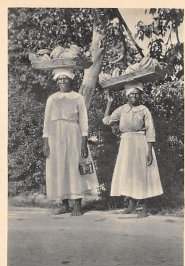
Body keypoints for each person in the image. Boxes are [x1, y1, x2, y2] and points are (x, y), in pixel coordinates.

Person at [43, 68, 99, 216]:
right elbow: (47, 121)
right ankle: (65, 204)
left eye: (65, 78)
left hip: (73, 133)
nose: (62, 81)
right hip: (55, 136)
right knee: (59, 167)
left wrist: (84, 141)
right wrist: (45, 141)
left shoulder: (78, 98)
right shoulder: (52, 99)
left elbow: (83, 121)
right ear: (57, 81)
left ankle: (77, 205)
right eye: (60, 79)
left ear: (70, 80)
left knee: (75, 166)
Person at [103, 82, 163, 217]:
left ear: (140, 95)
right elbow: (106, 120)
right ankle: (131, 204)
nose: (134, 96)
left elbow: (150, 130)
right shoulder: (122, 109)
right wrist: (109, 102)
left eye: (137, 93)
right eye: (131, 93)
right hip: (126, 144)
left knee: (142, 173)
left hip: (141, 143)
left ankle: (144, 206)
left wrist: (149, 151)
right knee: (128, 172)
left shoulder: (144, 110)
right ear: (127, 95)